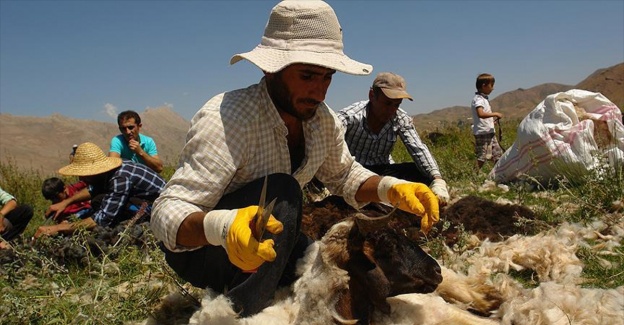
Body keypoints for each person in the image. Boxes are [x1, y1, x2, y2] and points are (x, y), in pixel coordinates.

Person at [151, 0, 440, 318]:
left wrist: (392, 188)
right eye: (307, 76)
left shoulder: (322, 121)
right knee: (284, 193)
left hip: (270, 238)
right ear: (270, 68)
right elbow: (167, 212)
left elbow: (344, 176)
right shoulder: (228, 118)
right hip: (204, 250)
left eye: (327, 77)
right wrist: (223, 227)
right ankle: (244, 311)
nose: (319, 91)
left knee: (329, 264)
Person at [337, 72, 450, 205]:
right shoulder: (350, 117)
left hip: (382, 171)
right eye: (387, 103)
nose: (392, 110)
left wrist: (437, 179)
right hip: (353, 172)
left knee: (420, 173)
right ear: (372, 96)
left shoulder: (400, 118)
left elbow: (417, 148)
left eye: (397, 105)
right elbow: (331, 143)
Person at [36, 142, 165, 238]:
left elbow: (101, 220)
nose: (81, 178)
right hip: (142, 199)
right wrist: (65, 202)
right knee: (98, 199)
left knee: (104, 215)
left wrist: (58, 228)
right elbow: (92, 189)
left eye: (83, 174)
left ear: (93, 172)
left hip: (159, 207)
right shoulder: (107, 174)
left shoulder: (120, 178)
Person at [471, 73, 503, 171]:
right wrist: (495, 114)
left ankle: (499, 174)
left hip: (489, 132)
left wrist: (491, 122)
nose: (492, 88)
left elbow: (484, 116)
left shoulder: (483, 99)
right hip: (482, 133)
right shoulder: (478, 100)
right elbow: (480, 114)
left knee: (498, 155)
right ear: (484, 86)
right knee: (482, 157)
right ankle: (473, 174)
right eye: (491, 85)